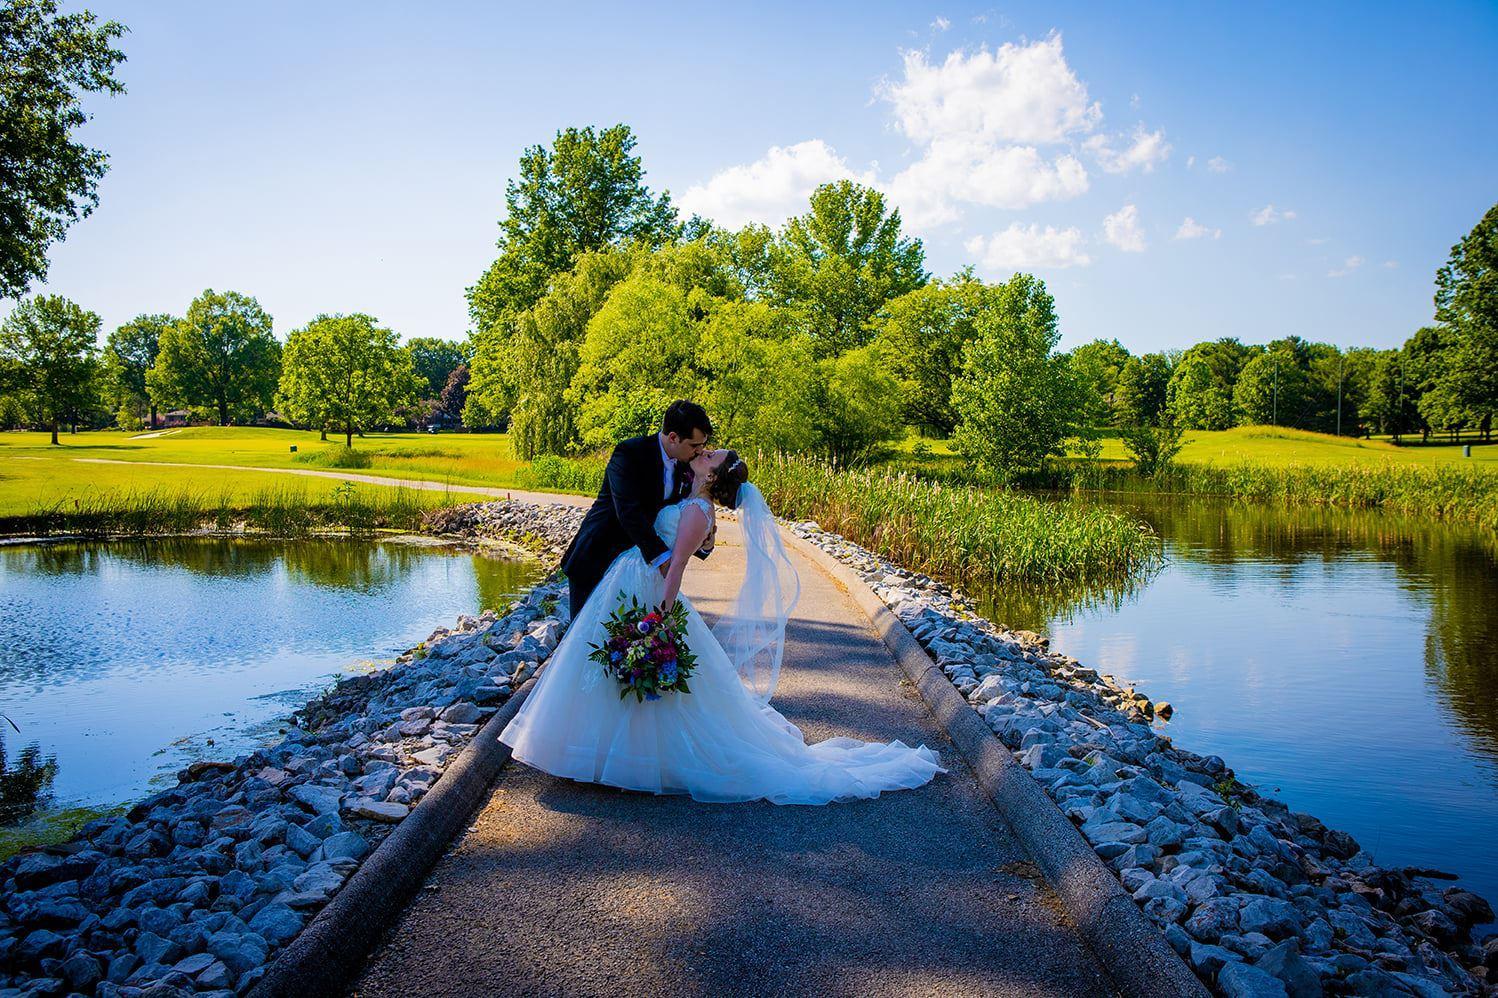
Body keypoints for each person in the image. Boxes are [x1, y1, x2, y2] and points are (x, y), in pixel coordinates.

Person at [499, 444, 947, 805]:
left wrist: (659, 620)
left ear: (713, 476)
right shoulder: (688, 495)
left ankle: (625, 761)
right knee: (609, 671)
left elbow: (677, 566)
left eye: (711, 455)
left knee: (641, 674)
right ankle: (607, 757)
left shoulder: (698, 510)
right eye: (706, 449)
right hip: (628, 581)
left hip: (649, 591)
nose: (705, 452)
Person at [559, 400, 715, 621]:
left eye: (702, 445)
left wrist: (704, 545)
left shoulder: (688, 464)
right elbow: (627, 510)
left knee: (633, 637)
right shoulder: (629, 453)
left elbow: (683, 516)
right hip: (597, 558)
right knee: (585, 633)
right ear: (673, 437)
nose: (700, 451)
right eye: (694, 445)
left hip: (638, 573)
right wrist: (662, 558)